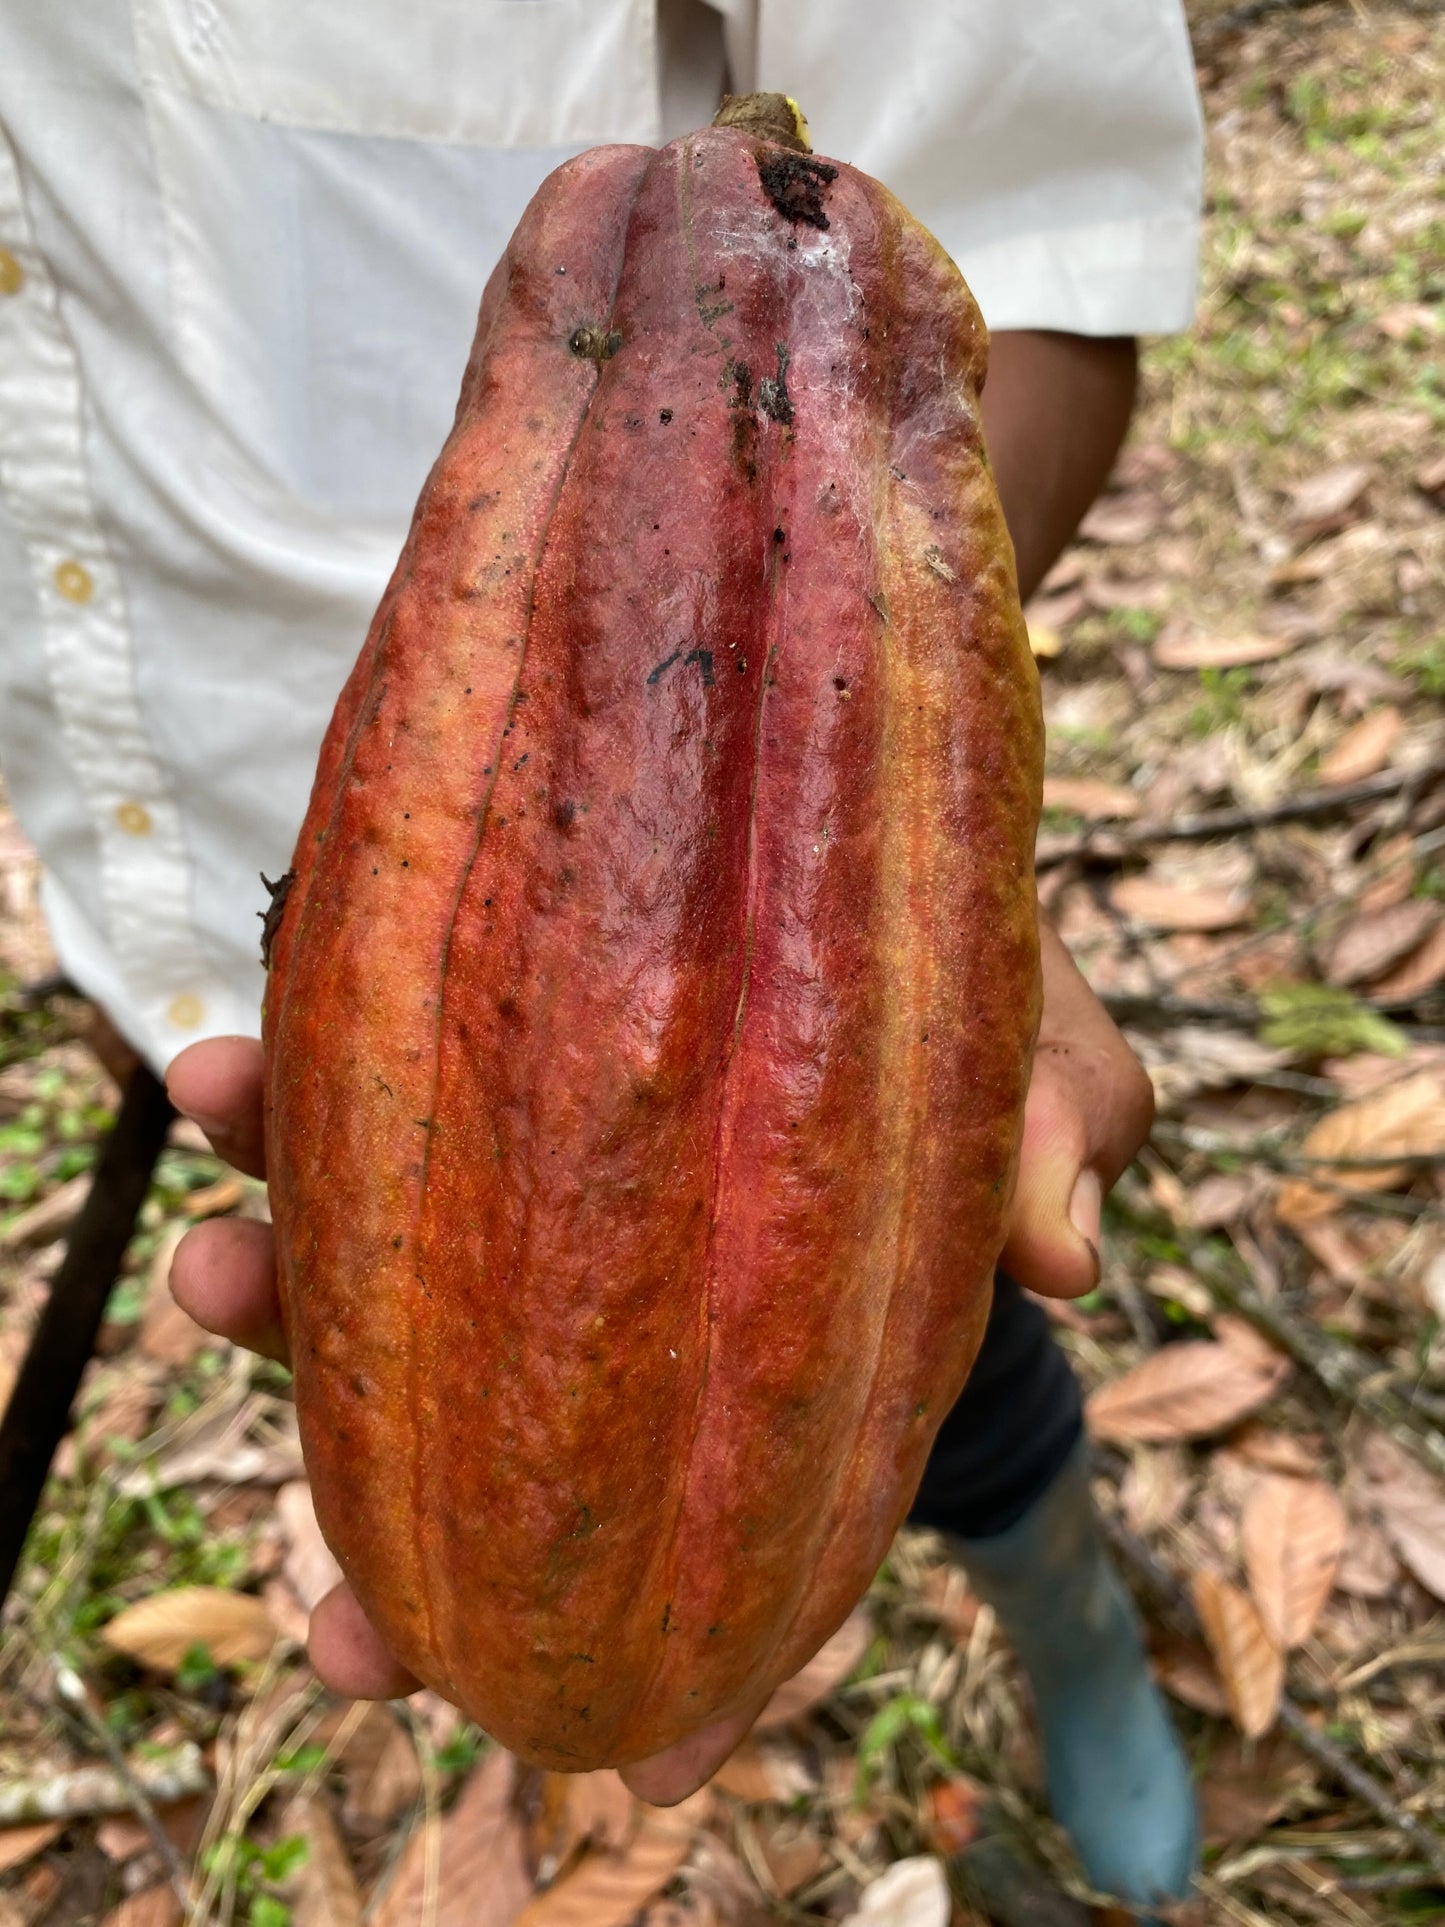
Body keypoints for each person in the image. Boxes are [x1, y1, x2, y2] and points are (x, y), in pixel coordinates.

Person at [0, 0, 1203, 1907]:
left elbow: (1049, 252)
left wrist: (897, 827)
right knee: (429, 1364)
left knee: (926, 1343)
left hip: (745, 926)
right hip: (203, 889)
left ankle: (1071, 1624)